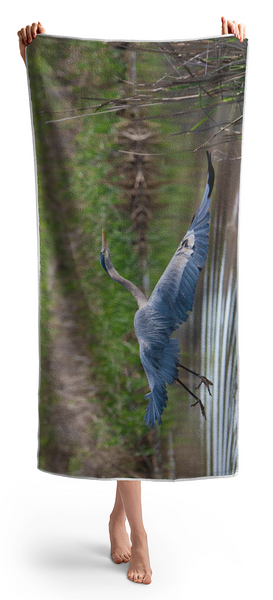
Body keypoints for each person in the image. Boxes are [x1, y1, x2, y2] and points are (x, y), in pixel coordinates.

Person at [17, 17, 246, 585]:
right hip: (129, 331)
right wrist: (39, 68)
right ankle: (135, 530)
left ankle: (123, 519)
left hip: (156, 334)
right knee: (134, 416)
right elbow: (68, 133)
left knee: (138, 414)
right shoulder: (97, 156)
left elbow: (182, 235)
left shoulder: (150, 279)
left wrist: (229, 63)